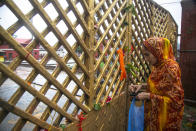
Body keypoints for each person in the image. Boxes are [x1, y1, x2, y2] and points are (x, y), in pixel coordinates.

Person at [129, 37, 184, 130]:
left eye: (147, 55)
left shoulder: (171, 69)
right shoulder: (157, 67)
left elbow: (175, 101)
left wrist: (148, 96)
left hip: (165, 122)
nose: (146, 59)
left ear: (157, 52)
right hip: (152, 116)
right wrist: (141, 86)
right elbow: (160, 86)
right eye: (144, 55)